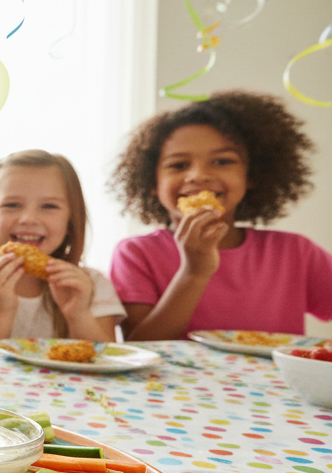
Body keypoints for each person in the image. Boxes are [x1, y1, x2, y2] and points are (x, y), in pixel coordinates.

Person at [109, 90, 332, 338]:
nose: (198, 175)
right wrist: (194, 272)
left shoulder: (296, 253)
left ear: (253, 175)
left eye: (223, 161)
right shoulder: (136, 255)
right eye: (179, 165)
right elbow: (140, 346)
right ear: (153, 182)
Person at [0, 150, 124, 343]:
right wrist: (0, 312)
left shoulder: (91, 285)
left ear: (71, 220)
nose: (28, 219)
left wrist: (79, 315)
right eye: (11, 205)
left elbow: (105, 362)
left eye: (49, 206)